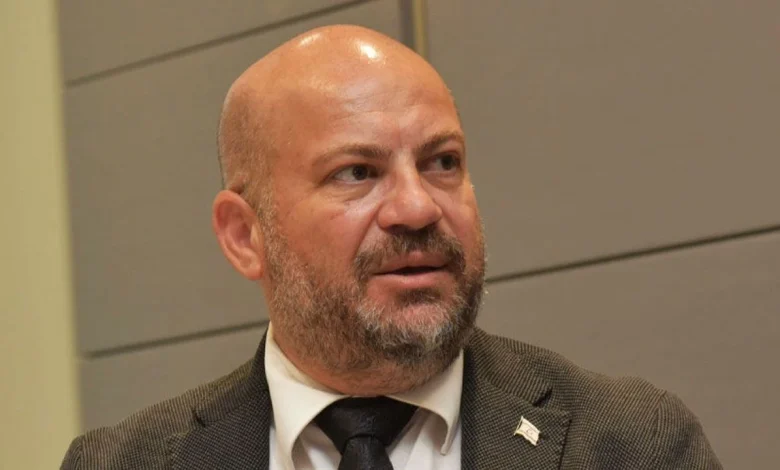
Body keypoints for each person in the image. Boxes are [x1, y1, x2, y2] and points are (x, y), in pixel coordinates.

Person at [61, 25, 721, 469]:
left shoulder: (631, 445)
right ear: (244, 235)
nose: (418, 207)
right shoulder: (124, 463)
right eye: (357, 172)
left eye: (442, 162)